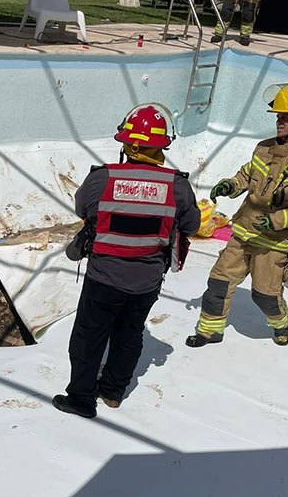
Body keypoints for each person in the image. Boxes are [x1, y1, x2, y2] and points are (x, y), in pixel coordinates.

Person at [53, 104, 200, 418]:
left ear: (130, 145)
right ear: (160, 146)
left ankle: (80, 399)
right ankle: (113, 392)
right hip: (146, 282)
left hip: (103, 278)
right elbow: (192, 226)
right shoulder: (178, 186)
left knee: (88, 338)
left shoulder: (102, 179)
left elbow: (83, 209)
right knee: (130, 334)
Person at [187, 84, 288, 349]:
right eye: (277, 117)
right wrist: (231, 185)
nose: (279, 122)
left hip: (275, 241)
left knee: (265, 295)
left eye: (285, 117)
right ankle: (209, 331)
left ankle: (280, 324)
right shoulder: (263, 148)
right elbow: (248, 174)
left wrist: (276, 221)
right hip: (243, 231)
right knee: (219, 282)